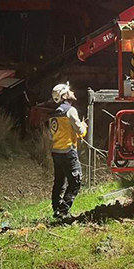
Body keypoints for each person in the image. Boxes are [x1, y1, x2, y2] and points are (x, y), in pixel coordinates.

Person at [48, 82, 87, 220]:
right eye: (70, 90)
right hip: (68, 151)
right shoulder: (70, 110)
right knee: (75, 180)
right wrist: (83, 127)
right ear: (64, 95)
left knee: (59, 181)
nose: (72, 91)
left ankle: (56, 208)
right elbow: (80, 130)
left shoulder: (53, 114)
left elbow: (53, 134)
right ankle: (63, 211)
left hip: (56, 151)